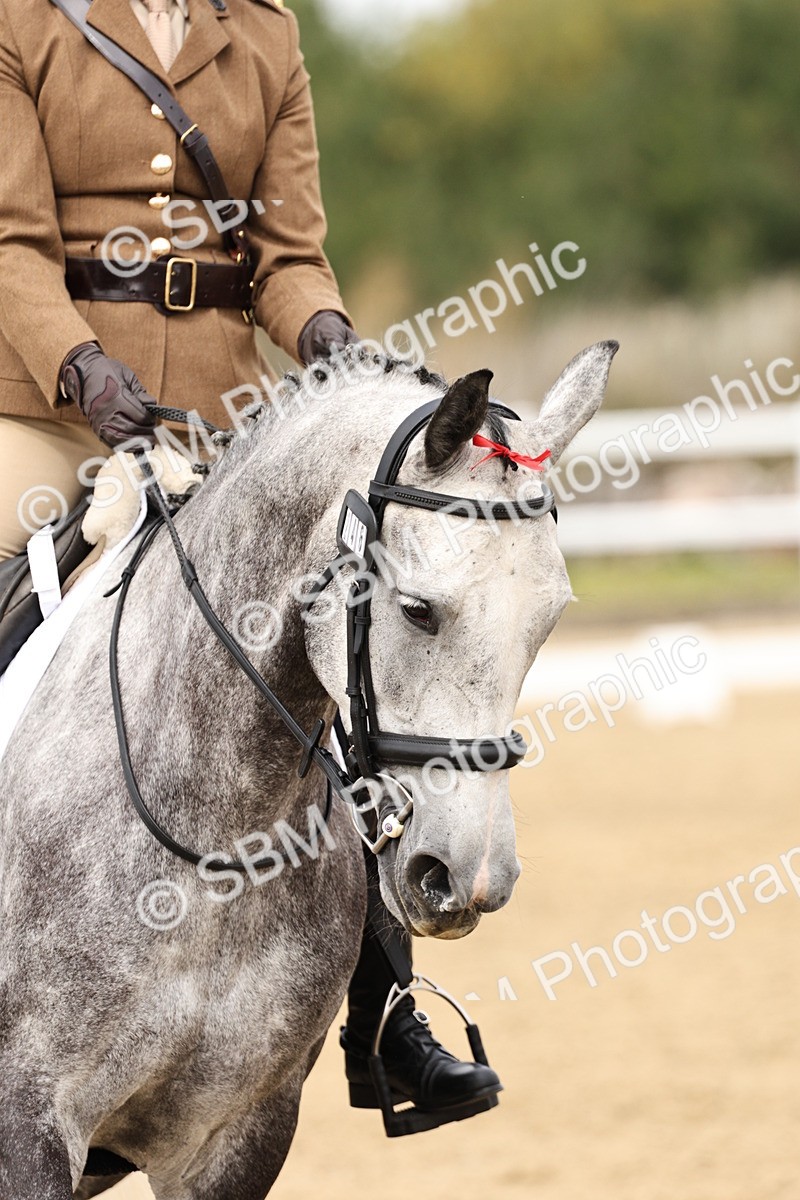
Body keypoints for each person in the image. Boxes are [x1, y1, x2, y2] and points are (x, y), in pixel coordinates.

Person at [0, 0, 500, 1130]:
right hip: (49, 403)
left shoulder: (264, 33)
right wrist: (81, 369)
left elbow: (286, 259)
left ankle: (383, 1012)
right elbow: (12, 247)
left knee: (336, 669)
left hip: (223, 420)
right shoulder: (23, 22)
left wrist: (327, 340)